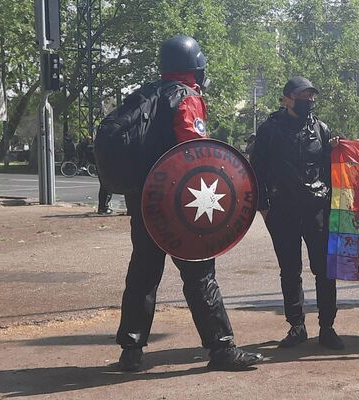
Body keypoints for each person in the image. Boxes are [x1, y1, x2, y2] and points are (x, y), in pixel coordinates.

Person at [115, 35, 263, 372]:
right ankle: (222, 347)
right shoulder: (188, 98)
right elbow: (196, 154)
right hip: (181, 207)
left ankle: (131, 350)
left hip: (144, 201)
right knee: (200, 274)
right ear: (196, 66)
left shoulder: (142, 95)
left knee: (143, 273)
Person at [250, 76, 344, 350]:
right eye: (302, 96)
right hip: (283, 210)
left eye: (311, 96)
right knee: (289, 270)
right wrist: (264, 207)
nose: (308, 101)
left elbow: (330, 170)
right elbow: (258, 170)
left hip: (316, 210)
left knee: (324, 271)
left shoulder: (322, 129)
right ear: (286, 99)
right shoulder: (269, 130)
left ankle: (327, 328)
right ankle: (297, 326)